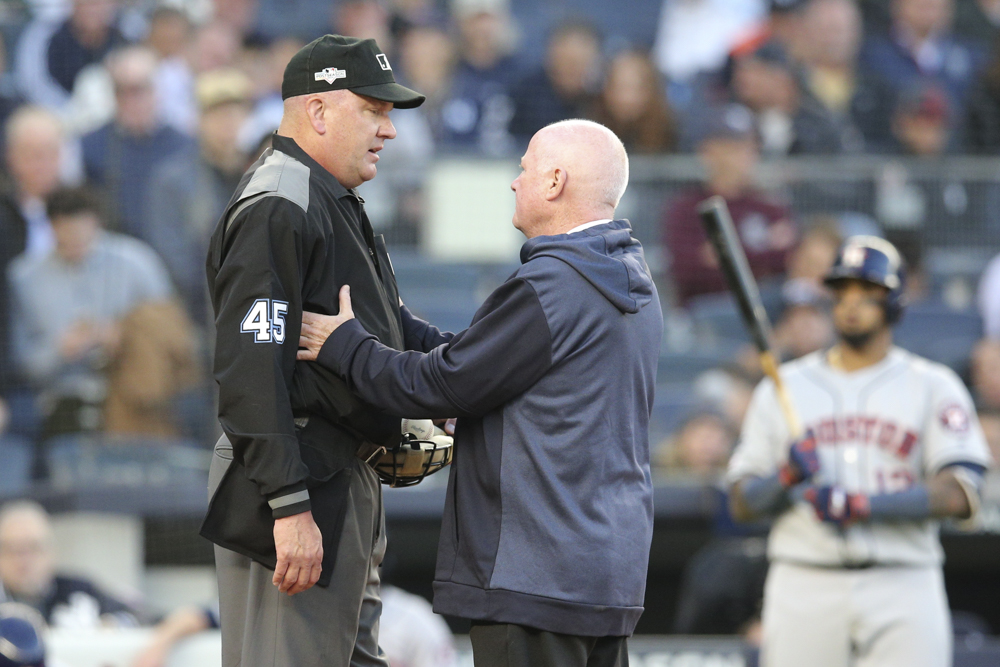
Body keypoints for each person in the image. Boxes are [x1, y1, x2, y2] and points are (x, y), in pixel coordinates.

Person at [297, 119, 663, 667]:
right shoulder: (626, 278)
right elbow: (483, 367)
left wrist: (346, 345)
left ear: (555, 181)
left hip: (536, 575)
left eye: (524, 169)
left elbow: (445, 384)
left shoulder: (556, 285)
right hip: (605, 574)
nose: (515, 183)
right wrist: (393, 322)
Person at [200, 35, 425, 667]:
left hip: (335, 471)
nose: (389, 130)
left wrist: (451, 373)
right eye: (374, 111)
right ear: (319, 111)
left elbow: (390, 323)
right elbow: (249, 366)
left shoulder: (327, 195)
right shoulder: (280, 201)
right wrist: (288, 505)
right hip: (296, 474)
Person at [727, 236, 992, 667]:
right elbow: (740, 503)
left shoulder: (933, 385)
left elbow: (959, 492)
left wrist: (863, 504)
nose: (851, 303)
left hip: (903, 582)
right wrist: (786, 476)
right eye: (842, 291)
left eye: (867, 293)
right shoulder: (783, 386)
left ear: (895, 302)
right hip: (804, 581)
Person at [8, 187, 174, 440]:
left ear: (96, 223)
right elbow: (23, 364)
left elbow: (173, 333)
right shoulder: (25, 277)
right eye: (65, 240)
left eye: (83, 238)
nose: (76, 247)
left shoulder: (137, 262)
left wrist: (125, 335)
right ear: (50, 228)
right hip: (61, 402)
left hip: (132, 393)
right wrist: (61, 350)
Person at [664, 103, 797, 304]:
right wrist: (761, 251)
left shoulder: (770, 205)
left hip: (764, 305)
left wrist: (722, 255)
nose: (744, 155)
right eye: (731, 147)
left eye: (749, 146)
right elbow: (687, 273)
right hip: (705, 312)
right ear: (707, 152)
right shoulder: (685, 208)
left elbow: (788, 263)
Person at [80, 46, 192, 239]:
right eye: (122, 90)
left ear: (158, 90)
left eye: (141, 89)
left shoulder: (185, 146)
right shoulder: (90, 147)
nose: (132, 100)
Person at [0, 501, 138, 627]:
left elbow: (135, 616)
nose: (23, 560)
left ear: (51, 552)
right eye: (12, 550)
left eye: (33, 548)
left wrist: (108, 625)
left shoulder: (78, 591)